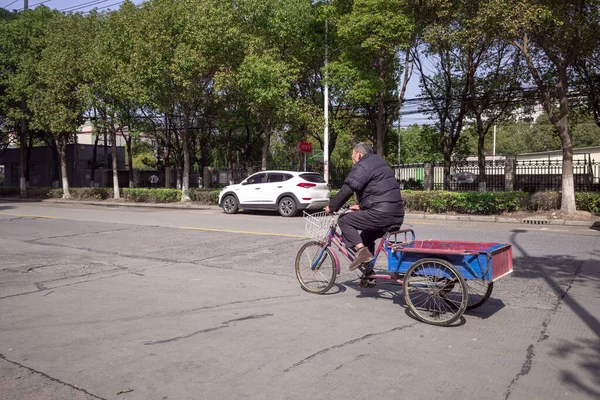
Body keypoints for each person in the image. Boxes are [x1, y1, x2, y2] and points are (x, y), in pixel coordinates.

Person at [325, 142, 404, 271]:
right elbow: (379, 192)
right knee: (366, 236)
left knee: (344, 220)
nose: (352, 161)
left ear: (359, 155)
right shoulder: (379, 163)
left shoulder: (363, 166)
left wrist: (331, 207)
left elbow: (347, 190)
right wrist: (362, 206)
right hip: (396, 214)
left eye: (352, 156)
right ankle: (368, 274)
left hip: (381, 214)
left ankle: (361, 252)